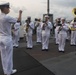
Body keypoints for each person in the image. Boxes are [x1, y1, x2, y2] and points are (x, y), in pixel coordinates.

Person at [0, 2, 22, 75]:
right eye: (8, 8)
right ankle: (9, 72)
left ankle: (5, 71)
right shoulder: (7, 17)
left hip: (1, 38)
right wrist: (20, 13)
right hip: (7, 38)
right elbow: (18, 20)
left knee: (3, 56)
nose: (9, 9)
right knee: (9, 56)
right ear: (5, 8)